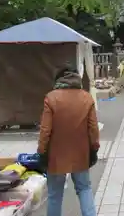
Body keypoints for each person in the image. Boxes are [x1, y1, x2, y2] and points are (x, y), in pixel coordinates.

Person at [38, 67, 100, 216]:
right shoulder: (86, 97)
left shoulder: (51, 98)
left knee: (54, 194)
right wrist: (94, 148)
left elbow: (45, 130)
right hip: (81, 153)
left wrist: (42, 151)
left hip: (56, 155)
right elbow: (93, 128)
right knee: (84, 188)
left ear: (58, 80)